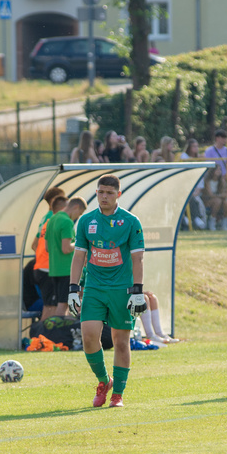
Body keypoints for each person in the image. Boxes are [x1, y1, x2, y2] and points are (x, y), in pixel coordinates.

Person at [68, 174, 146, 408]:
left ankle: (118, 395)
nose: (104, 196)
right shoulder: (86, 221)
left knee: (121, 341)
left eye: (109, 193)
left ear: (118, 195)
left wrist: (137, 291)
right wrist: (73, 289)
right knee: (89, 336)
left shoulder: (131, 221)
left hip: (122, 289)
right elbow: (79, 255)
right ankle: (104, 381)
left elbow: (138, 258)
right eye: (101, 192)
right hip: (94, 287)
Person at [45, 196, 88, 317]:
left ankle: (60, 331)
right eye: (79, 213)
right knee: (64, 304)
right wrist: (80, 243)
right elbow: (66, 248)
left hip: (54, 269)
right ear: (76, 207)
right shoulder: (67, 221)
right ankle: (60, 333)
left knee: (60, 303)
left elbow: (47, 248)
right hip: (67, 270)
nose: (78, 217)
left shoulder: (52, 219)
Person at [32, 187, 66, 321]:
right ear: (55, 201)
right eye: (63, 199)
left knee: (51, 306)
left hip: (42, 267)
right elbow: (55, 246)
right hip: (49, 268)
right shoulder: (55, 218)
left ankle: (44, 339)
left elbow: (35, 245)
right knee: (51, 307)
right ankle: (41, 339)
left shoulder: (45, 218)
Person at [179, 138, 208, 230]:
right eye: (193, 146)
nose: (196, 148)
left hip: (195, 193)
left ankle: (196, 219)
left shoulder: (198, 163)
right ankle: (188, 219)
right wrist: (198, 158)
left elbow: (200, 185)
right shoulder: (184, 157)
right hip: (183, 191)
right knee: (187, 199)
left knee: (195, 200)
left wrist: (195, 193)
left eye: (197, 146)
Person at [201, 163, 227, 231]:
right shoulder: (207, 181)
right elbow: (210, 194)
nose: (219, 171)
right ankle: (212, 221)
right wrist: (219, 196)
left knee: (226, 202)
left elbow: (225, 194)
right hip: (207, 200)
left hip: (219, 200)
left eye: (220, 170)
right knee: (218, 201)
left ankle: (224, 223)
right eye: (217, 170)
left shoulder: (222, 181)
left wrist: (218, 196)